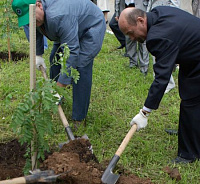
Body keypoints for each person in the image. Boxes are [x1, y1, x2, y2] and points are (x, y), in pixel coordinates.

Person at [118, 7, 200, 164]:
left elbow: (161, 79)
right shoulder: (158, 12)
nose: (132, 38)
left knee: (191, 101)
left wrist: (144, 112)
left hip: (197, 56)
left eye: (130, 33)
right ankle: (188, 130)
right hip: (193, 55)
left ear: (141, 21)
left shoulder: (157, 37)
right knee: (189, 94)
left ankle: (189, 154)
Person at [12, 0, 106, 128]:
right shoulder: (34, 16)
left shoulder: (58, 16)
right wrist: (38, 54)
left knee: (79, 68)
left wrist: (61, 83)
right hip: (67, 27)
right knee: (55, 58)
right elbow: (35, 30)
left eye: (32, 18)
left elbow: (72, 51)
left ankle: (79, 118)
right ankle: (56, 99)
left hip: (90, 26)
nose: (30, 22)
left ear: (39, 5)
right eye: (27, 20)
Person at [114, 0, 149, 74]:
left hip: (140, 9)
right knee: (129, 38)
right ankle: (132, 62)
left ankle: (144, 67)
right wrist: (117, 13)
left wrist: (148, 11)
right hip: (125, 8)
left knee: (142, 41)